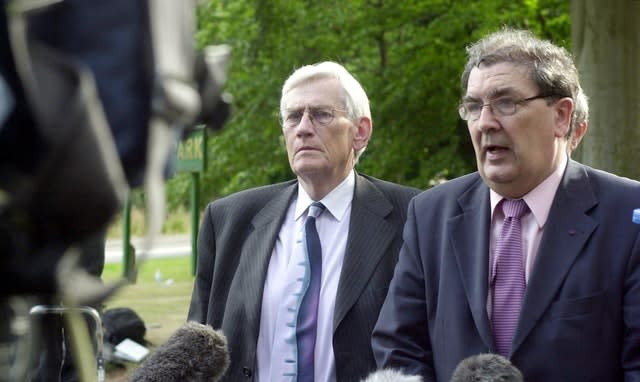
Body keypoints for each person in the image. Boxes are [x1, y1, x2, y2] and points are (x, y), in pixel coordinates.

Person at [372, 27, 640, 382]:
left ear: (561, 116)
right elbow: (400, 348)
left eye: (505, 103)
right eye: (473, 106)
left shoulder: (627, 215)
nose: (484, 122)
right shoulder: (430, 213)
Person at [188, 61, 420, 382]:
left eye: (321, 114)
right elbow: (197, 349)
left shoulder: (414, 216)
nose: (304, 128)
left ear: (361, 131)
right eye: (293, 117)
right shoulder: (229, 220)